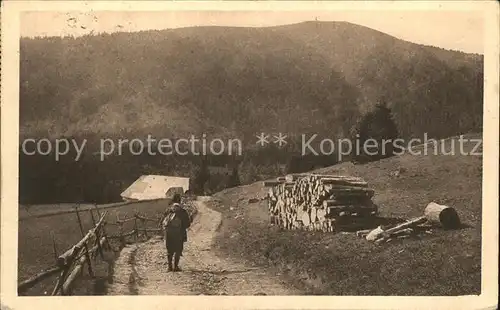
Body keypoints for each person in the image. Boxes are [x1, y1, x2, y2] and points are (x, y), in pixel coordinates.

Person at [162, 193, 190, 272]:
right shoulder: (182, 211)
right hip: (179, 233)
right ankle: (176, 267)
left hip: (169, 233)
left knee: (169, 250)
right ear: (180, 200)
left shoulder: (168, 210)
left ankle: (169, 267)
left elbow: (163, 221)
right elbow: (187, 224)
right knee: (178, 249)